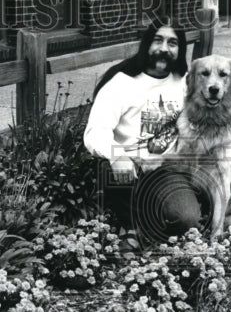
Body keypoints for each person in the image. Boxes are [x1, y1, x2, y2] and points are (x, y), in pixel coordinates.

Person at [83, 16, 205, 239]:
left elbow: (215, 106)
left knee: (187, 219)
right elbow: (95, 132)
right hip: (126, 169)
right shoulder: (121, 83)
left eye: (172, 43)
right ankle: (131, 226)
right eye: (158, 40)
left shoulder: (184, 81)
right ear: (147, 44)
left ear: (180, 49)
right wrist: (117, 156)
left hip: (165, 170)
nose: (164, 48)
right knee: (111, 173)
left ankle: (145, 222)